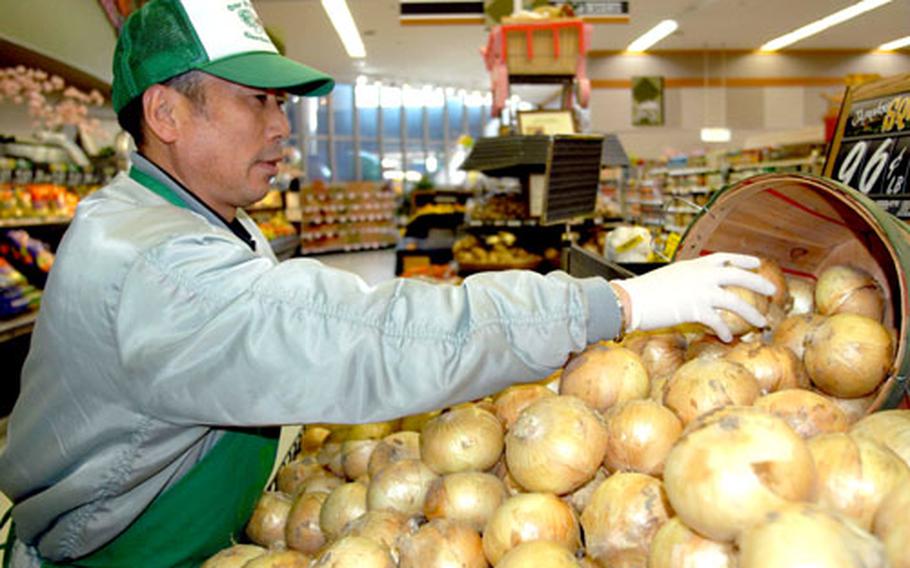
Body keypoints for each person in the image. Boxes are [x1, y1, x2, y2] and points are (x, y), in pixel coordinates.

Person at [0, 0, 775, 566]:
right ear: (165, 113)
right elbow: (364, 335)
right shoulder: (153, 262)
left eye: (284, 103)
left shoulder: (188, 213)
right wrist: (624, 300)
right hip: (127, 551)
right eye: (258, 101)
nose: (283, 127)